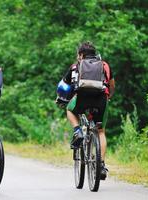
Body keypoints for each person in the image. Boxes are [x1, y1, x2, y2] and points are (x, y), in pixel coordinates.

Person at [58, 42, 115, 180]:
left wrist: (60, 99)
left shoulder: (75, 66)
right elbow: (112, 85)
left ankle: (78, 131)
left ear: (81, 54)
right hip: (101, 99)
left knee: (70, 110)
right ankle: (101, 165)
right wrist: (109, 97)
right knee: (100, 131)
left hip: (82, 99)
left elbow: (64, 86)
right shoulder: (104, 65)